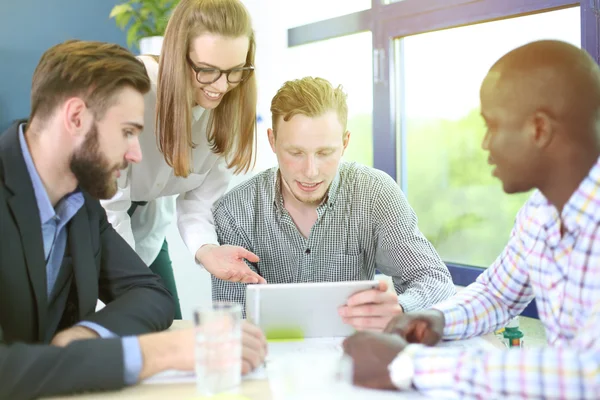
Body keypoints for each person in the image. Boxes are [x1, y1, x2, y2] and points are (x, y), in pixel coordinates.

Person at [0, 40, 266, 400]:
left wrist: (88, 335)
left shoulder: (78, 203)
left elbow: (151, 292)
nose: (136, 154)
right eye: (127, 132)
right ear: (76, 117)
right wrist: (159, 353)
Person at [342, 39, 600, 399]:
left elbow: (589, 373)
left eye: (493, 126)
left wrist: (407, 365)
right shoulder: (539, 215)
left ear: (539, 129)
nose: (484, 144)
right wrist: (438, 318)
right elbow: (498, 295)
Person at [211, 77, 455, 330]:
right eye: (295, 153)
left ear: (345, 142)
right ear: (272, 141)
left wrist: (401, 309)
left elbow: (436, 281)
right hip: (268, 359)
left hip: (356, 358)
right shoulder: (234, 212)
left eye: (325, 153)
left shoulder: (374, 193)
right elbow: (232, 321)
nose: (311, 171)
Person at [100, 0, 266, 321]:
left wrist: (206, 250)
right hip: (93, 220)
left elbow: (198, 201)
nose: (221, 87)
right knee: (118, 336)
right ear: (178, 55)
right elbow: (110, 205)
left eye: (235, 72)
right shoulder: (133, 89)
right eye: (206, 70)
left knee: (167, 322)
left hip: (147, 225)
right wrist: (132, 286)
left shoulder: (228, 108)